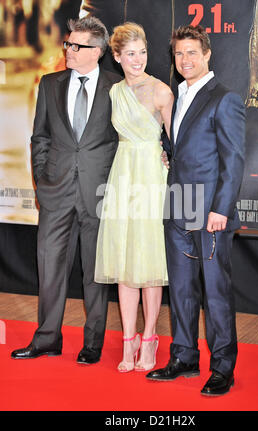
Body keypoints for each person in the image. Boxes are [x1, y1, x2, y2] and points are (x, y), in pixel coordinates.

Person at [11, 16, 121, 365]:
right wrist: (42, 181)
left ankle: (93, 343)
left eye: (77, 46)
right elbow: (40, 137)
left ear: (97, 51)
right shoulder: (50, 83)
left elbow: (122, 142)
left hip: (99, 193)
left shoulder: (117, 88)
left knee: (95, 273)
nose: (69, 50)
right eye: (68, 44)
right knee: (50, 267)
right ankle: (47, 339)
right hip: (55, 193)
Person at [146, 25, 245, 396]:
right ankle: (184, 356)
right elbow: (184, 146)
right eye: (178, 54)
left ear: (207, 55)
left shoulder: (225, 98)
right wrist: (168, 149)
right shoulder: (179, 96)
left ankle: (223, 366)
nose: (184, 60)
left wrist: (221, 209)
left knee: (216, 291)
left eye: (192, 53)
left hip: (210, 212)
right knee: (183, 289)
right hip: (178, 206)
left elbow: (233, 161)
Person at [94, 22, 174, 372]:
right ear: (117, 57)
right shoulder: (114, 93)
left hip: (151, 179)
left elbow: (176, 141)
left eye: (142, 52)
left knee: (149, 265)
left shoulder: (162, 91)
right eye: (130, 54)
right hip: (123, 175)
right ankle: (128, 341)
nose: (138, 59)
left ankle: (150, 339)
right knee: (124, 263)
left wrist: (168, 155)